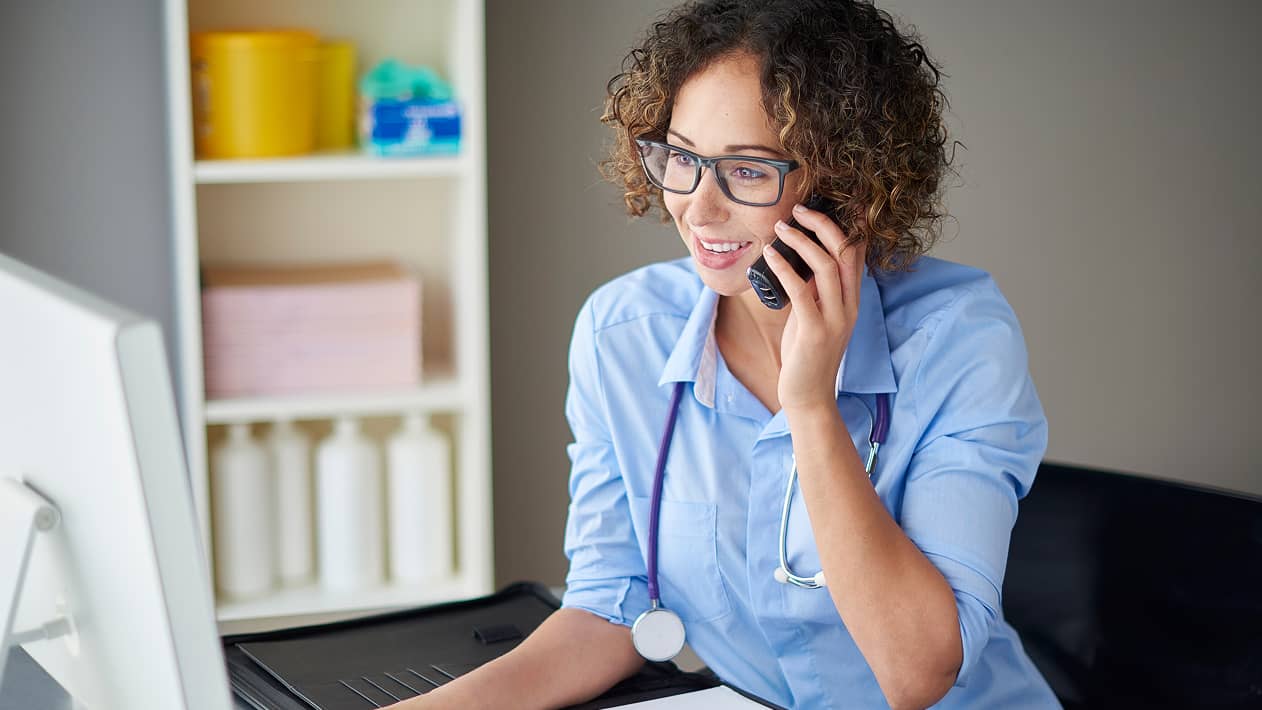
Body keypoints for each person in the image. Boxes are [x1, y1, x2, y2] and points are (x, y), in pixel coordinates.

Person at [395, 1, 1058, 708]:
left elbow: (917, 672)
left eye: (745, 172)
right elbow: (606, 613)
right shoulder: (622, 335)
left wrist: (810, 406)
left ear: (845, 186)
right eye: (682, 157)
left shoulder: (959, 340)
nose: (699, 209)